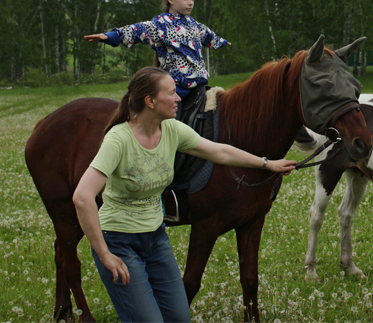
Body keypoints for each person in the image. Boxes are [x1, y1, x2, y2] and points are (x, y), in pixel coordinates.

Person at [73, 67, 296, 322]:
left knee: (180, 318)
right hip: (120, 243)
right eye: (171, 93)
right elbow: (82, 197)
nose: (178, 97)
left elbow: (220, 152)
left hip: (156, 241)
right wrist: (104, 254)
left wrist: (267, 164)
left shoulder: (171, 129)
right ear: (150, 101)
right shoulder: (119, 139)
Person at [84, 0, 229, 99]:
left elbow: (209, 36)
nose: (190, 2)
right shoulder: (161, 24)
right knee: (169, 122)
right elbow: (136, 30)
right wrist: (110, 36)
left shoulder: (195, 25)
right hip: (175, 86)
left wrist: (222, 42)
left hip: (200, 85)